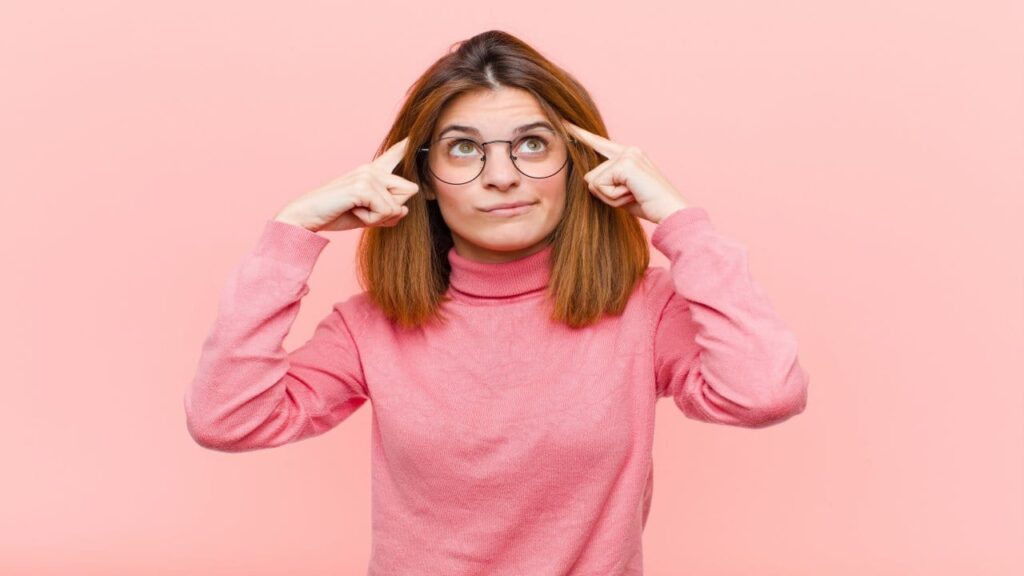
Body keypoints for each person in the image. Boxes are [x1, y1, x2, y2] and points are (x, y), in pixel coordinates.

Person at [184, 29, 809, 576]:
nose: (502, 175)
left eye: (532, 144)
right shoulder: (366, 327)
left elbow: (764, 394)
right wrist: (292, 233)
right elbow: (228, 419)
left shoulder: (643, 310)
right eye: (464, 149)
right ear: (423, 179)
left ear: (578, 165)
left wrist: (680, 221)